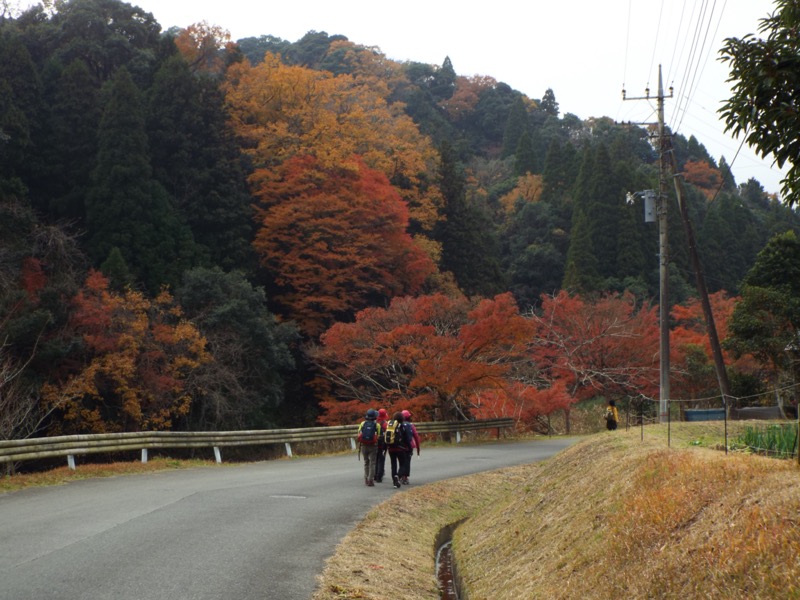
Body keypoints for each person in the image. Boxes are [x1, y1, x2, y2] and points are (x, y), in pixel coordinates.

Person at [385, 411, 412, 488]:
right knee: (403, 464)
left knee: (393, 465)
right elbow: (407, 439)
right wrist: (409, 448)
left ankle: (395, 482)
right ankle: (398, 476)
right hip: (400, 448)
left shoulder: (390, 426)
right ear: (402, 418)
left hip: (391, 448)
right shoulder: (402, 426)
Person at [357, 409, 381, 486]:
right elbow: (379, 435)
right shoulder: (377, 425)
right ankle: (371, 480)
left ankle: (366, 478)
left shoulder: (362, 423)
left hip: (364, 445)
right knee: (372, 463)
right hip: (373, 446)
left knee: (366, 462)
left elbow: (359, 433)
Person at [400, 409, 420, 485]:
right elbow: (416, 437)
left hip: (400, 446)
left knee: (401, 461)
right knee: (407, 462)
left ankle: (401, 476)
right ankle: (405, 477)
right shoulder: (411, 425)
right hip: (409, 446)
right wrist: (418, 448)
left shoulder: (398, 425)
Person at [374, 408, 389, 483]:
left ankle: (374, 474)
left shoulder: (375, 422)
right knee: (381, 459)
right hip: (382, 444)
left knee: (375, 459)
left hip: (374, 443)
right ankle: (379, 476)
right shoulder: (385, 423)